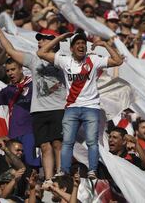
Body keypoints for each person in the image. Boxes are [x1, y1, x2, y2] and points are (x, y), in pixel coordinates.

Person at [0, 20, 66, 183]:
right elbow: (10, 50)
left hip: (59, 108)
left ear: (54, 43)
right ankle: (49, 179)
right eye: (39, 39)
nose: (39, 41)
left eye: (44, 39)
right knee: (44, 146)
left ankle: (61, 173)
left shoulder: (64, 61)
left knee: (57, 144)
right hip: (39, 111)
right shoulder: (33, 60)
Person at [37, 31, 123, 179]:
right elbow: (41, 53)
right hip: (72, 108)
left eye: (83, 43)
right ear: (71, 48)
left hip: (91, 107)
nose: (81, 45)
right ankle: (64, 171)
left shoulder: (93, 60)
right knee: (67, 142)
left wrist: (105, 45)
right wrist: (60, 38)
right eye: (77, 43)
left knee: (92, 142)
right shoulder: (65, 60)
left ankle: (92, 171)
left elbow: (118, 61)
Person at [0, 57, 40, 169]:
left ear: (21, 69)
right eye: (7, 71)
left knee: (30, 163)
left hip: (29, 132)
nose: (10, 73)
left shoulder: (34, 84)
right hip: (13, 135)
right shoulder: (9, 90)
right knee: (12, 166)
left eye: (13, 69)